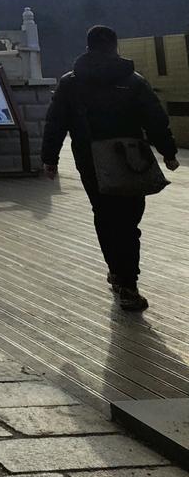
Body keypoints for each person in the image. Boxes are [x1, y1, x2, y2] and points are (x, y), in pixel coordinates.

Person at [41, 24, 179, 311]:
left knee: (104, 216)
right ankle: (129, 282)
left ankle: (118, 273)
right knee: (129, 222)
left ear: (88, 46)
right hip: (131, 159)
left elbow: (55, 123)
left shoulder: (70, 83)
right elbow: (155, 119)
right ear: (115, 46)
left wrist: (50, 158)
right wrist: (168, 152)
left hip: (90, 159)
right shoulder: (133, 80)